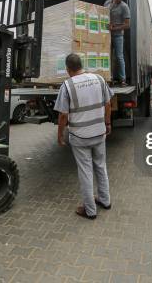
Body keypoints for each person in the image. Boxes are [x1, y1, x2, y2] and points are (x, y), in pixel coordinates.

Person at [54, 53, 113, 220]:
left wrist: (60, 135)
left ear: (68, 69)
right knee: (101, 166)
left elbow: (63, 115)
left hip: (80, 136)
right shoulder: (99, 79)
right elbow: (108, 104)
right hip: (99, 132)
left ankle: (90, 210)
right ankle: (105, 200)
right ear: (82, 65)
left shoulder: (67, 86)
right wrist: (107, 124)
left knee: (85, 171)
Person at [105, 0, 130, 86]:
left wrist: (114, 28)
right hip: (107, 35)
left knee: (119, 57)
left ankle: (122, 80)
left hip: (118, 35)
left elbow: (127, 25)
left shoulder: (124, 7)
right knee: (108, 57)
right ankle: (109, 78)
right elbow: (103, 15)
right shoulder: (107, 3)